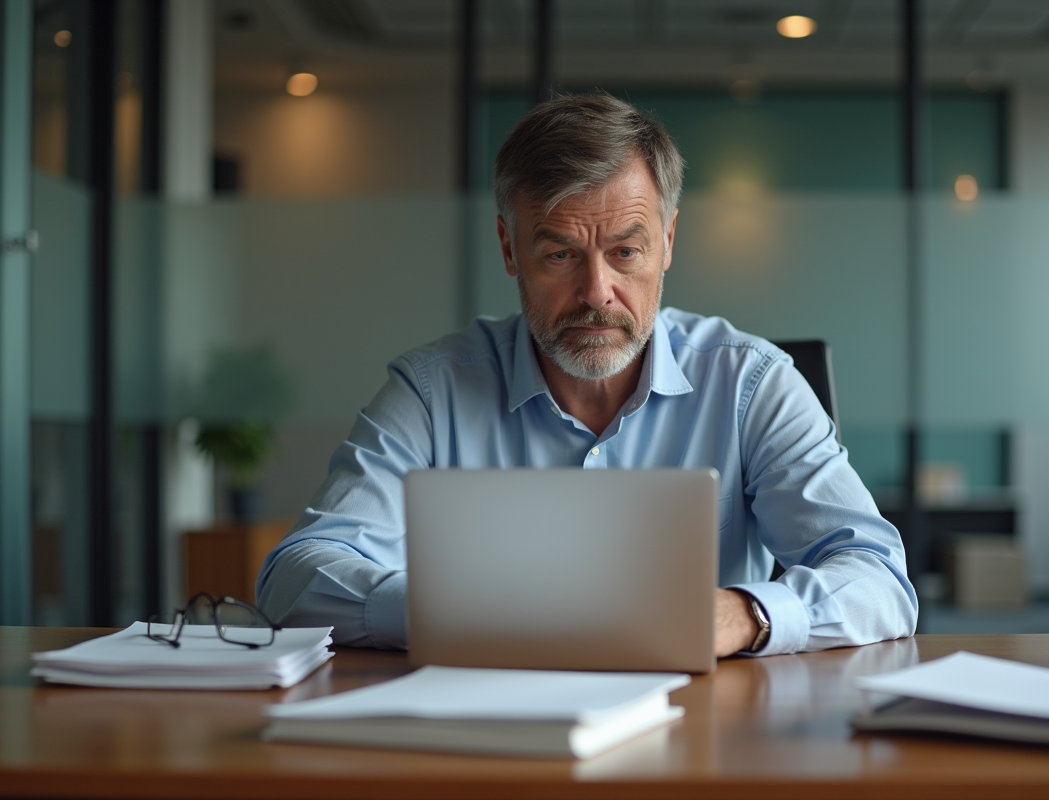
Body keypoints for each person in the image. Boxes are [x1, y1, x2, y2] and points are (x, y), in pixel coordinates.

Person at [257, 93, 918, 657]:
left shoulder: (753, 384)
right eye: (560, 254)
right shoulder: (432, 393)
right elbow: (293, 579)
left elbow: (880, 579)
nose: (597, 291)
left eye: (625, 251)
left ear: (668, 242)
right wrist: (463, 610)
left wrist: (744, 614)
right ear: (510, 248)